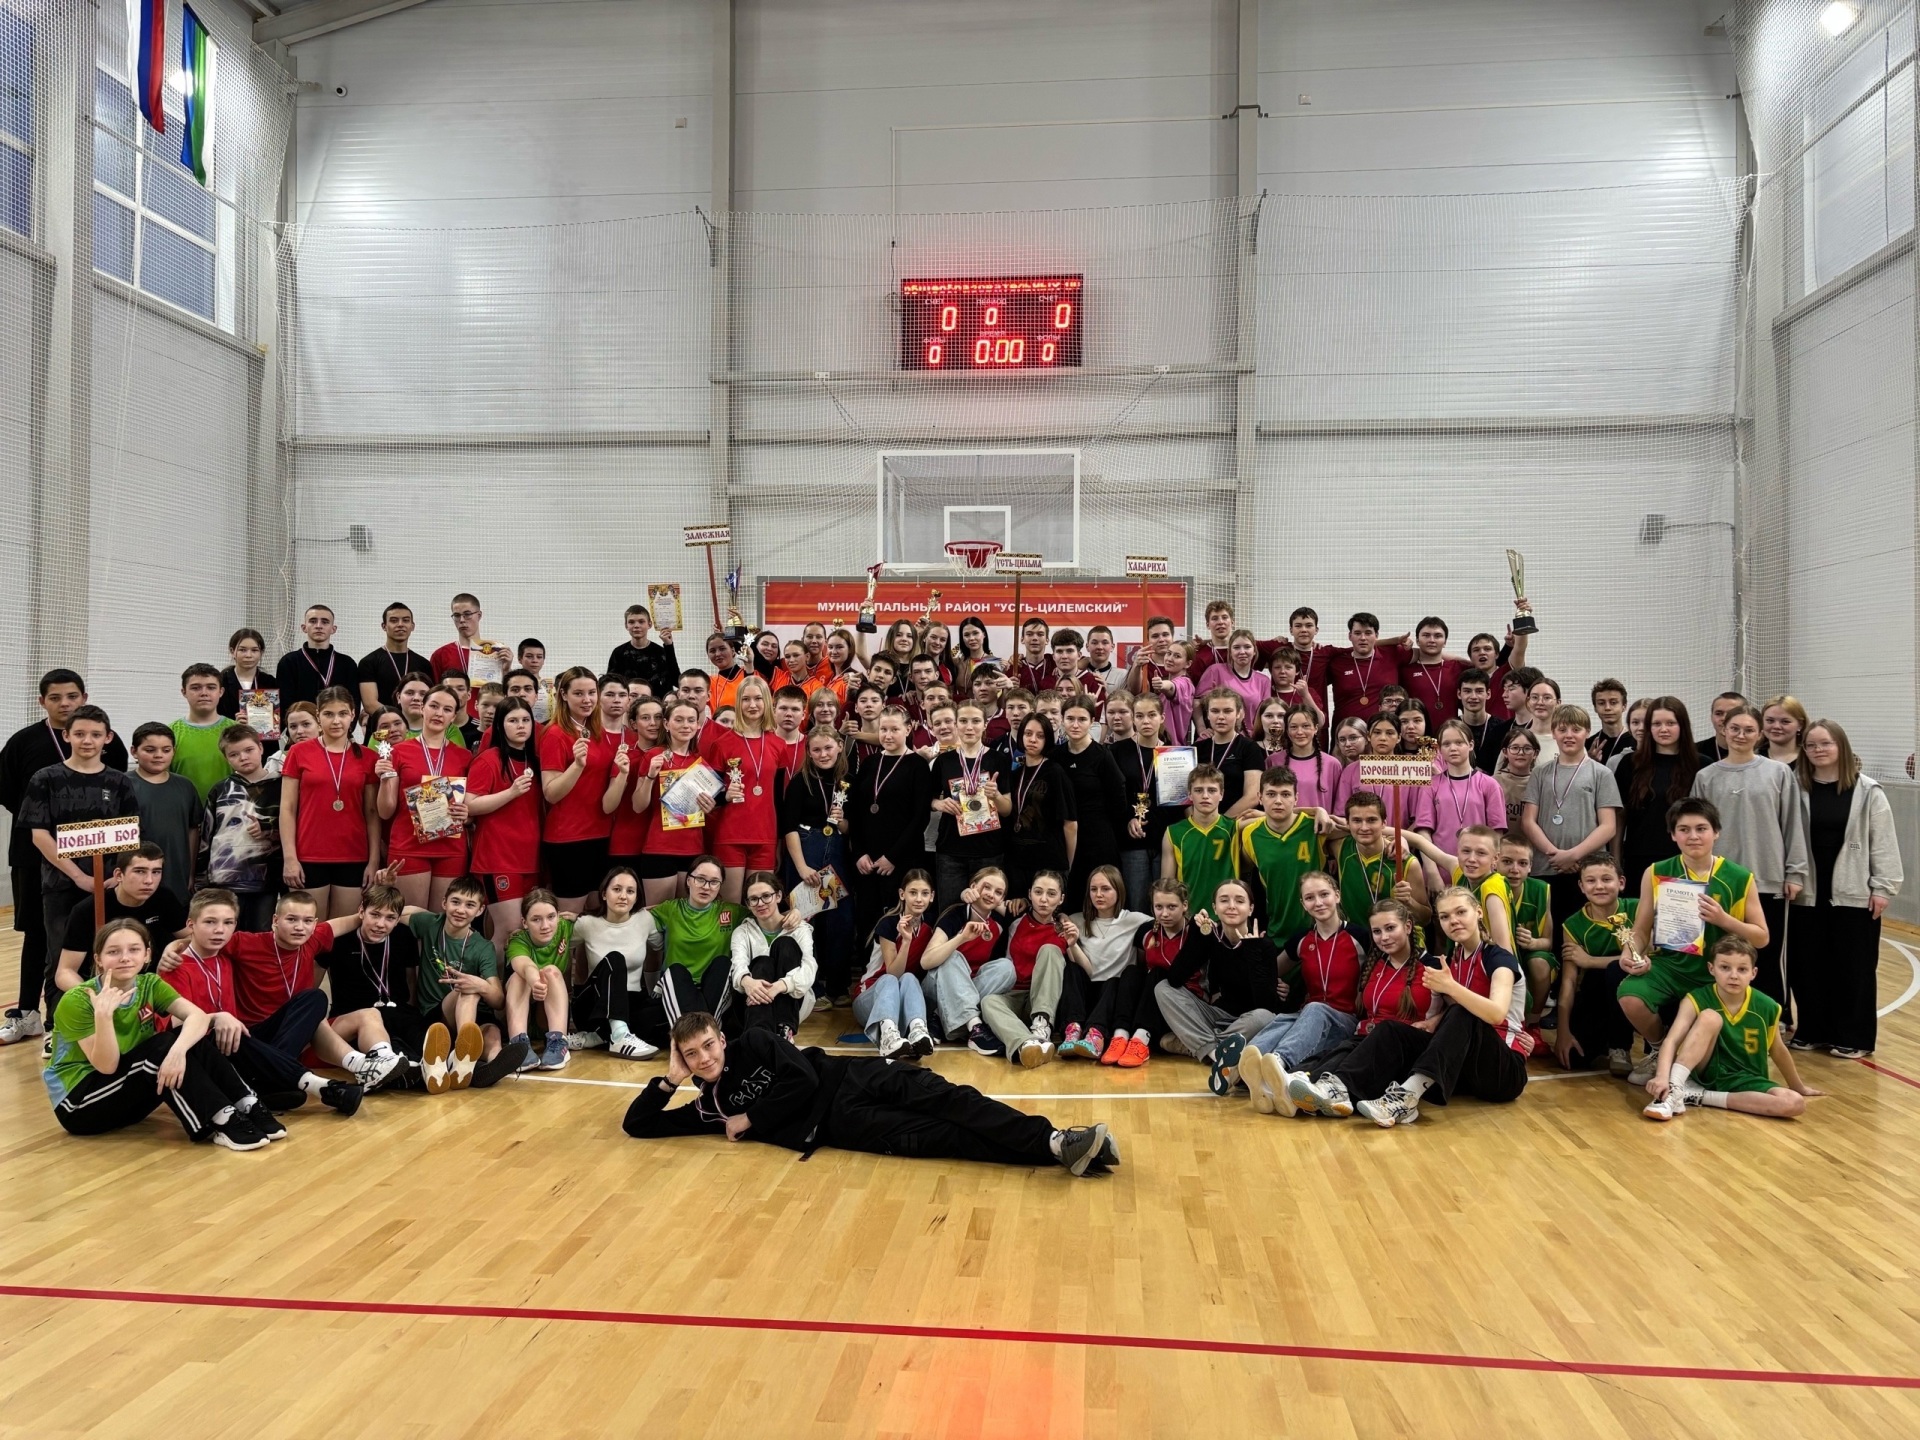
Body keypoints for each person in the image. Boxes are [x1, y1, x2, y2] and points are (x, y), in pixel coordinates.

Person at [622, 1010, 1118, 1176]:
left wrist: (751, 1119)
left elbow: (803, 1079)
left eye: (708, 1045)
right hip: (844, 1126)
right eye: (692, 1054)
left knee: (954, 1099)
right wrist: (669, 1080)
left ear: (722, 1039)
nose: (704, 1058)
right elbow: (638, 1125)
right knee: (946, 1137)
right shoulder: (708, 1108)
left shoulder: (754, 1040)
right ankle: (1062, 1150)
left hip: (852, 1076)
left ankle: (1055, 1138)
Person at [1289, 886, 1530, 1128]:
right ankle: (1338, 1090)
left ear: (1478, 912)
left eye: (1461, 912)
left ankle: (1406, 1099)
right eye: (1445, 916)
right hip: (1463, 1066)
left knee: (1460, 1012)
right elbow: (1458, 1010)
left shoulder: (1499, 959)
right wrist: (1436, 1019)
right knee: (1390, 1029)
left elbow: (1496, 1013)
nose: (1453, 921)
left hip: (1503, 1071)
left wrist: (1450, 987)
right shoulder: (1454, 958)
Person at [45, 919, 273, 1150]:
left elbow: (197, 1016)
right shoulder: (79, 1000)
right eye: (113, 952)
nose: (125, 958)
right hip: (80, 1106)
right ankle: (221, 1119)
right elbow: (107, 1066)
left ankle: (247, 1102)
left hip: (127, 1095)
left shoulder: (149, 984)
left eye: (134, 949)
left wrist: (178, 1052)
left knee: (186, 1039)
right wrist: (103, 1017)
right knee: (161, 1046)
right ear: (98, 959)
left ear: (147, 955)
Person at [155, 889, 366, 1116]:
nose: (219, 930)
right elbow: (175, 1027)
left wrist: (368, 912)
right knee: (231, 1033)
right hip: (210, 1048)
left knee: (314, 998)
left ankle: (268, 1082)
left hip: (244, 1042)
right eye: (210, 922)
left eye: (228, 923)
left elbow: (337, 925)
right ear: (191, 924)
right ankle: (322, 1086)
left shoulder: (225, 955)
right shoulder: (178, 965)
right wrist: (173, 947)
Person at [15, 703, 143, 1042]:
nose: (88, 740)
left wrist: (116, 877)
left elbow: (130, 833)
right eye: (81, 734)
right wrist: (79, 877)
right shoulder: (45, 779)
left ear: (108, 738)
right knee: (60, 957)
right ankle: (58, 1029)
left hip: (111, 885)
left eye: (96, 734)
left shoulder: (119, 781)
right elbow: (39, 835)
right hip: (61, 884)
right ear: (67, 736)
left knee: (112, 953)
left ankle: (111, 1025)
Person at [1617, 798, 1768, 1085]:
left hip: (1717, 972)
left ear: (1716, 832)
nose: (1693, 836)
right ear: (1673, 835)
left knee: (1712, 1067)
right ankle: (1660, 1050)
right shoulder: (1656, 872)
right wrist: (1630, 952)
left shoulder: (1740, 877)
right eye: (1684, 830)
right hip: (1670, 966)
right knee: (1630, 996)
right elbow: (1640, 929)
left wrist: (1724, 920)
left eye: (1701, 828)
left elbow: (1761, 937)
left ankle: (1686, 1064)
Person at [1254, 898, 1434, 1117]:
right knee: (1329, 1056)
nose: (1384, 937)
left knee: (1369, 1041)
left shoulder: (1431, 965)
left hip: (1403, 1046)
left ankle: (1328, 1093)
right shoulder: (1375, 964)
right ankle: (1287, 1088)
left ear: (1408, 926)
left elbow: (1455, 1011)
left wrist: (1434, 1021)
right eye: (1377, 932)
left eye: (1390, 928)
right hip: (1367, 1039)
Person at [1789, 719, 1902, 1056]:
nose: (1818, 750)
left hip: (1854, 893)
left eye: (1825, 743)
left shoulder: (1868, 791)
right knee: (1807, 965)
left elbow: (1883, 843)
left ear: (1841, 746)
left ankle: (1854, 1037)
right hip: (1807, 893)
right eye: (1811, 745)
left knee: (1854, 968)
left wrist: (1882, 888)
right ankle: (1812, 1030)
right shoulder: (1794, 787)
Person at [1689, 702, 1807, 1005]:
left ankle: (1775, 1017)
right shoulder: (1706, 776)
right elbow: (1694, 830)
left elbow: (1793, 824)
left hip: (1767, 878)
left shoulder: (1779, 773)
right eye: (1735, 728)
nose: (1741, 735)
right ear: (1723, 730)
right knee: (1722, 955)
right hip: (1720, 881)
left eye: (1748, 730)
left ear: (1759, 734)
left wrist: (1795, 872)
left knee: (1767, 954)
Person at [1642, 937, 1819, 1121]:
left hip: (1747, 1078)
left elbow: (1778, 1050)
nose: (1733, 975)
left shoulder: (1768, 1006)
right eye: (1725, 967)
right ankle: (1675, 1088)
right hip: (1706, 1073)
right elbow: (1671, 1040)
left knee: (1794, 1102)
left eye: (1742, 969)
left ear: (1753, 973)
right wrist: (1662, 1077)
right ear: (1711, 969)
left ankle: (1699, 1096)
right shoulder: (1695, 999)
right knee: (1710, 1017)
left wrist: (1797, 1086)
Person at [1240, 871, 1369, 1113]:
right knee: (1284, 1020)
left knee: (1314, 1009)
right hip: (1309, 1019)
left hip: (1345, 1020)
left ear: (1337, 896)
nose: (1318, 902)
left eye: (1324, 895)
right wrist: (1256, 951)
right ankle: (1247, 1065)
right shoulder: (1302, 940)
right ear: (1303, 904)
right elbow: (1271, 972)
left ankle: (1279, 1062)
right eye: (1310, 898)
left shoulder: (1360, 937)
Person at [1153, 878, 1285, 1094]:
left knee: (1264, 1016)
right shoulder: (1210, 937)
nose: (1231, 906)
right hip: (1218, 1016)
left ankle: (1195, 1046)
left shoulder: (1263, 945)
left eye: (1239, 901)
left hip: (1249, 1023)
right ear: (1215, 907)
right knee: (1163, 988)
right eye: (1224, 900)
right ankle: (1218, 1055)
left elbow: (1267, 1004)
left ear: (1251, 908)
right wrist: (1196, 934)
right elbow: (1176, 978)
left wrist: (1251, 950)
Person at [1519, 704, 1622, 959]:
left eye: (1576, 729)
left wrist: (1573, 855)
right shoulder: (1540, 773)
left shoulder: (1601, 773)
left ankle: (1578, 980)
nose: (1569, 735)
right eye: (1562, 729)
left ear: (1587, 732)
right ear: (1553, 732)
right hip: (1546, 866)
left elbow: (1608, 826)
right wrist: (1555, 854)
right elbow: (1528, 821)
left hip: (1586, 871)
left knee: (1583, 935)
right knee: (1550, 935)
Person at [410, 875, 527, 1092]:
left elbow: (498, 1000)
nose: (461, 910)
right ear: (444, 903)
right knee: (467, 989)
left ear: (480, 910)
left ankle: (486, 1066)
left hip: (474, 1014)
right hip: (438, 1014)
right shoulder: (429, 924)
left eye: (470, 905)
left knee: (492, 1033)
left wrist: (481, 985)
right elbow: (395, 912)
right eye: (455, 902)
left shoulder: (482, 947)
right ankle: (463, 1055)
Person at [278, 686, 380, 922]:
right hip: (308, 854)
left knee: (343, 931)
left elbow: (372, 813)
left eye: (342, 714)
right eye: (328, 714)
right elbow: (287, 809)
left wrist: (374, 860)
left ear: (353, 715)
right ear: (318, 716)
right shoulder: (298, 752)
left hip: (354, 855)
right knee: (308, 930)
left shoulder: (368, 757)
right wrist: (290, 858)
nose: (336, 721)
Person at [375, 683, 473, 911]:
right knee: (410, 919)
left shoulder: (465, 757)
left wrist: (467, 815)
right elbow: (385, 812)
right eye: (434, 706)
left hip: (450, 847)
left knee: (443, 920)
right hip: (408, 844)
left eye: (447, 709)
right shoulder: (398, 752)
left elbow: (470, 810)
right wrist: (384, 779)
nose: (439, 713)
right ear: (422, 708)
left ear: (454, 716)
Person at [844, 709, 935, 952]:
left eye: (895, 729)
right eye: (883, 729)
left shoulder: (917, 765)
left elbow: (920, 817)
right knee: (867, 913)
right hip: (867, 858)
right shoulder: (870, 763)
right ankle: (867, 968)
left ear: (908, 729)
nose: (888, 735)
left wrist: (893, 857)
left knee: (896, 916)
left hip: (901, 857)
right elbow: (856, 812)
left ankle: (896, 965)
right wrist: (859, 852)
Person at [316, 885, 423, 1087]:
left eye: (390, 918)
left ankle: (447, 1065)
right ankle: (412, 1070)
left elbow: (410, 981)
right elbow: (312, 987)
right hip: (355, 1017)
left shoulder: (403, 936)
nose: (380, 924)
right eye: (375, 915)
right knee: (394, 1044)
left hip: (398, 1011)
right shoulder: (339, 940)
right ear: (361, 911)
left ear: (398, 919)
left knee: (421, 1037)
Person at [633, 856, 742, 1041]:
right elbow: (631, 919)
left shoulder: (732, 912)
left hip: (713, 991)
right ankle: (708, 1036)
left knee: (723, 964)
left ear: (720, 886)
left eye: (714, 882)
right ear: (688, 880)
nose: (706, 886)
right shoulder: (670, 909)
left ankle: (696, 1036)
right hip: (677, 989)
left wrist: (793, 913)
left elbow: (771, 919)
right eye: (700, 879)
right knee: (676, 970)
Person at [1052, 865, 1152, 1063]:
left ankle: (1095, 1035)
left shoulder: (1134, 920)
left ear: (1118, 890)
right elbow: (1055, 917)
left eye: (1105, 889)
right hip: (1085, 994)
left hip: (1113, 998)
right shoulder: (1077, 920)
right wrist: (1065, 924)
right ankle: (1073, 1031)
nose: (1098, 894)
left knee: (1115, 980)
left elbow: (1165, 919)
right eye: (1094, 889)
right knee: (1071, 969)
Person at [538, 666, 619, 914]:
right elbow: (551, 792)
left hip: (600, 833)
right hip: (569, 837)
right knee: (569, 914)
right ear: (563, 695)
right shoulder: (555, 734)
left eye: (592, 693)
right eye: (579, 693)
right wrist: (577, 766)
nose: (587, 700)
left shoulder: (597, 732)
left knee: (595, 911)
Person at [51, 843, 184, 991]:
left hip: (153, 986)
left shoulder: (164, 898)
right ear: (119, 875)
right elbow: (65, 972)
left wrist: (173, 947)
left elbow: (192, 939)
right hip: (104, 988)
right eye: (140, 871)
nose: (149, 880)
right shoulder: (87, 910)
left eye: (156, 872)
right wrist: (94, 995)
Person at [465, 696, 543, 947]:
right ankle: (491, 974)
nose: (521, 726)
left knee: (526, 932)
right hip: (498, 857)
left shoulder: (536, 759)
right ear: (500, 725)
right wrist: (510, 793)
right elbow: (470, 805)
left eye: (526, 720)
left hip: (530, 857)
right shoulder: (489, 759)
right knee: (509, 931)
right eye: (513, 720)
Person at [1554, 853, 1639, 1074]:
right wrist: (1562, 1031)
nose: (1599, 886)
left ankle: (1621, 1046)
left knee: (1616, 971)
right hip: (1597, 994)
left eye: (1606, 879)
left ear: (1621, 883)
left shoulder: (1638, 909)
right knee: (1574, 1059)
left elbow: (1643, 958)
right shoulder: (1573, 925)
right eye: (1591, 881)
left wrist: (1590, 961)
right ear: (1581, 887)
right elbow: (1569, 982)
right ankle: (1602, 1040)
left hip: (1640, 987)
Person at [704, 675, 784, 901]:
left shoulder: (778, 744)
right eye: (746, 699)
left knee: (761, 905)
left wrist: (779, 842)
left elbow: (778, 798)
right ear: (738, 703)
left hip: (765, 835)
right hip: (730, 834)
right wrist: (725, 796)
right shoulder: (722, 744)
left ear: (767, 702)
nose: (752, 705)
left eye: (758, 698)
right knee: (730, 905)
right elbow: (710, 796)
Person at [568, 865, 660, 1059]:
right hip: (593, 1005)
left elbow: (663, 944)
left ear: (636, 897)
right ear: (604, 894)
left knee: (663, 1014)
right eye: (617, 889)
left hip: (631, 1002)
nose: (623, 896)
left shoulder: (645, 919)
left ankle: (598, 1037)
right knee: (615, 958)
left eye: (630, 891)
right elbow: (555, 945)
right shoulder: (586, 923)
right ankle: (618, 1035)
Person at [929, 703, 1011, 914]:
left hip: (989, 851)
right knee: (950, 913)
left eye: (975, 721)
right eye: (963, 721)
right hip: (951, 851)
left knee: (986, 914)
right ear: (956, 725)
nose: (969, 727)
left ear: (985, 725)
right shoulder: (943, 761)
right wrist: (939, 804)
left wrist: (996, 796)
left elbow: (1007, 810)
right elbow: (930, 799)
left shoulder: (999, 760)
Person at [635, 699, 718, 905]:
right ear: (666, 724)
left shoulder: (700, 764)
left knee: (685, 915)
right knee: (657, 915)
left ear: (697, 725)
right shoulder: (654, 756)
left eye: (691, 720)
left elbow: (707, 808)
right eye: (679, 720)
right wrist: (650, 776)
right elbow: (638, 806)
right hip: (659, 848)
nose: (685, 725)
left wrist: (709, 807)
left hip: (693, 849)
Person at [922, 865, 1013, 1054]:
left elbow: (1033, 909)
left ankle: (941, 1018)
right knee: (953, 956)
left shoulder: (998, 922)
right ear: (973, 886)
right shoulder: (955, 915)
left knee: (1007, 968)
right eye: (986, 887)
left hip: (966, 991)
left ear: (1002, 899)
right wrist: (961, 938)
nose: (991, 894)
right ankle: (975, 1028)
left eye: (998, 892)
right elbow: (926, 961)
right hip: (936, 986)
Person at [1610, 695, 1697, 888]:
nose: (1663, 729)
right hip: (1638, 859)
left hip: (1685, 861)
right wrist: (1615, 859)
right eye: (1656, 724)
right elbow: (1619, 816)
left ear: (1682, 725)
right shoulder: (1630, 764)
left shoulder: (1700, 765)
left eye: (1670, 723)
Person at [852, 871, 939, 1059]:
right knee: (891, 979)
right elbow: (894, 972)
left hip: (901, 1004)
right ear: (902, 894)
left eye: (925, 893)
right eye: (913, 892)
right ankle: (887, 1038)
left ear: (932, 896)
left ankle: (917, 1030)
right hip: (871, 999)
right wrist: (906, 941)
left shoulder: (930, 926)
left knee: (910, 978)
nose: (919, 899)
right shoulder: (889, 923)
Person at [201, 726, 283, 929]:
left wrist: (269, 828)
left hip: (267, 879)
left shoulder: (282, 786)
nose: (243, 757)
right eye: (234, 754)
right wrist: (200, 876)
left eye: (249, 750)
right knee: (226, 933)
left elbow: (296, 825)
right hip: (225, 877)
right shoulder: (220, 790)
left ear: (261, 748)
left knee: (260, 935)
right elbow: (206, 835)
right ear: (226, 758)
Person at [1055, 697, 1127, 911]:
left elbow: (1119, 802)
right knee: (1070, 900)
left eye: (1082, 719)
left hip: (1098, 840)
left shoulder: (1103, 756)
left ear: (1092, 722)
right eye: (1070, 719)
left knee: (1099, 900)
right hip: (1065, 839)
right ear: (1062, 720)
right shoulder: (1055, 756)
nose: (1075, 725)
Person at [1237, 767, 1322, 942]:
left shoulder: (1316, 827)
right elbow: (1243, 868)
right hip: (1276, 931)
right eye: (1271, 794)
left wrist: (1319, 810)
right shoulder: (1250, 834)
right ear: (1260, 797)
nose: (1278, 801)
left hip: (1317, 932)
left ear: (1296, 798)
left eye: (1285, 794)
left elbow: (1359, 829)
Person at [727, 871, 817, 1037]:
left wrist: (779, 986)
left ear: (778, 896)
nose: (760, 903)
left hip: (792, 1002)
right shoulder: (742, 932)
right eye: (754, 899)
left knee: (785, 944)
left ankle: (784, 1030)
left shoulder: (800, 929)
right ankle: (759, 1035)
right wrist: (747, 982)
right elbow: (737, 965)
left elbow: (809, 969)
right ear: (748, 904)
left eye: (766, 896)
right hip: (752, 1003)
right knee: (762, 962)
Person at [1330, 791, 1432, 932]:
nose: (1364, 827)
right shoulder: (1340, 847)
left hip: (1395, 939)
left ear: (1384, 823)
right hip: (1355, 937)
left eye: (1371, 820)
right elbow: (1302, 821)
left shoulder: (1406, 862)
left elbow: (1426, 919)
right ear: (1347, 823)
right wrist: (1317, 811)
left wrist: (1409, 902)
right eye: (1357, 820)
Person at [1003, 715, 1077, 904]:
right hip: (1017, 860)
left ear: (1048, 739)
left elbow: (1070, 824)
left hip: (1048, 861)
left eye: (1040, 735)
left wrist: (1067, 865)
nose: (1033, 739)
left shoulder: (1055, 772)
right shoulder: (1015, 774)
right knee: (1017, 915)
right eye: (1028, 734)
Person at [127, 723, 201, 903]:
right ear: (134, 751)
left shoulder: (185, 786)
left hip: (177, 875)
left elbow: (193, 830)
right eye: (150, 750)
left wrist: (190, 872)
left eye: (166, 750)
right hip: (135, 877)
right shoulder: (123, 785)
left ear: (174, 752)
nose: (159, 755)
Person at [503, 889, 576, 1071]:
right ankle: (518, 1046)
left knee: (552, 971)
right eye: (536, 919)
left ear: (559, 915)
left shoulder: (565, 927)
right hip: (522, 1015)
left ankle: (558, 1042)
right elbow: (525, 965)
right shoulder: (518, 940)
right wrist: (536, 982)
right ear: (524, 922)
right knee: (518, 978)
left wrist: (579, 917)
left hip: (550, 1018)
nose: (545, 925)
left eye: (551, 917)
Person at [1495, 831, 1555, 1019]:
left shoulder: (1540, 889)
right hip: (1495, 954)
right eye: (1507, 861)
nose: (1515, 869)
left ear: (1530, 867)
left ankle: (1533, 1020)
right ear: (1495, 861)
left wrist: (1532, 943)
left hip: (1528, 955)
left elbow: (1548, 942)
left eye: (1522, 863)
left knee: (1540, 963)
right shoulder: (1487, 887)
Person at [1161, 764, 1239, 905]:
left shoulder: (1235, 829)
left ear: (1221, 794)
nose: (1205, 796)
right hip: (1190, 913)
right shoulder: (1173, 833)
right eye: (1198, 790)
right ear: (1189, 794)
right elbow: (1166, 888)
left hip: (1227, 913)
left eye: (1212, 790)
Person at [1192, 688, 1265, 819]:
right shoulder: (1196, 749)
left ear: (1238, 714)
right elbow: (1185, 795)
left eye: (1227, 711)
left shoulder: (1249, 748)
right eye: (1215, 711)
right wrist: (1196, 822)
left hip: (1235, 822)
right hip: (1200, 824)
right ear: (1207, 714)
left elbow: (1252, 796)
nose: (1221, 717)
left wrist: (1222, 823)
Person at [276, 604, 363, 713]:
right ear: (304, 628)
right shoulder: (289, 662)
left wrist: (346, 724)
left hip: (336, 722)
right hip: (301, 723)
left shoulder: (347, 664)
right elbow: (284, 702)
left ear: (333, 629)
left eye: (325, 622)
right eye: (313, 621)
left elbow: (354, 701)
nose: (318, 626)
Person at [169, 663, 235, 801]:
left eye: (211, 687)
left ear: (221, 692)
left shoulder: (237, 731)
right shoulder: (170, 733)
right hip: (184, 810)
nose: (204, 693)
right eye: (195, 688)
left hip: (229, 809)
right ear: (184, 692)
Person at [358, 601, 434, 710]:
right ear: (384, 626)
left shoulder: (424, 664)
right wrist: (398, 719)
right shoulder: (369, 662)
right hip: (381, 721)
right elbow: (370, 704)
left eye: (406, 620)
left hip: (416, 721)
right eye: (394, 621)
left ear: (412, 626)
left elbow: (428, 700)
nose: (400, 624)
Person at [1196, 630, 1272, 733]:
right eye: (1236, 647)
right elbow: (1197, 702)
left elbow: (1266, 713)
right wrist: (1201, 729)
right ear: (1230, 652)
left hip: (1250, 739)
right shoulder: (1215, 671)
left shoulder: (1263, 681)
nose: (1242, 652)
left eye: (1247, 647)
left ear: (1254, 651)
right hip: (1217, 736)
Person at [219, 628, 281, 743]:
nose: (248, 655)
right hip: (231, 743)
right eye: (242, 650)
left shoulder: (270, 682)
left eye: (254, 650)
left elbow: (280, 717)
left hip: (265, 745)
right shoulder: (221, 682)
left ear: (261, 653)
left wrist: (274, 721)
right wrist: (233, 724)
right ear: (232, 651)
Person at [1276, 704, 1341, 813]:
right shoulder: (1273, 761)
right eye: (1293, 727)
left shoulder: (1332, 764)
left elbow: (1339, 807)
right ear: (1287, 731)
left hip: (1319, 823)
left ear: (1315, 728)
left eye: (1305, 726)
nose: (1299, 732)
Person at [607, 603, 681, 697]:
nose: (636, 626)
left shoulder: (661, 652)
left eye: (641, 621)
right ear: (626, 625)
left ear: (649, 624)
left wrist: (669, 646)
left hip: (657, 703)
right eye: (631, 622)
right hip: (629, 703)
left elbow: (676, 681)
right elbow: (610, 685)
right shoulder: (619, 653)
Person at [1455, 668, 1509, 775]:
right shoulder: (1451, 728)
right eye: (1467, 691)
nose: (1473, 697)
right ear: (1459, 694)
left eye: (1479, 691)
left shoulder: (1502, 728)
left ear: (1488, 694)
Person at [1586, 679, 1633, 764]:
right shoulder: (1587, 745)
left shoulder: (1636, 742)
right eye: (1601, 703)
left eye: (1613, 702)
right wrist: (1588, 763)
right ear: (1595, 708)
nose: (1607, 708)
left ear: (1624, 706)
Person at [1760, 694, 1809, 768]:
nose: (1776, 726)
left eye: (1785, 721)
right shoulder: (1753, 759)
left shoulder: (1810, 759)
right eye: (1770, 720)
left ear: (1800, 725)